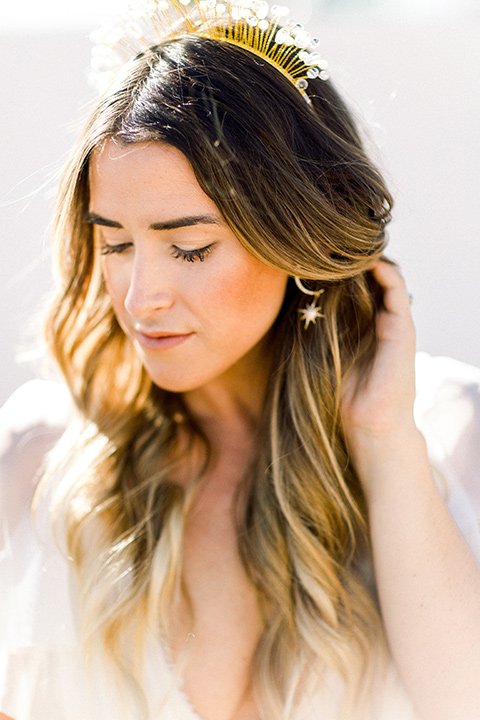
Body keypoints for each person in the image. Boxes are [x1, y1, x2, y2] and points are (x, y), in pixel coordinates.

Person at [1, 2, 480, 719]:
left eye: (188, 248)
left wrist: (384, 445)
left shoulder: (450, 436)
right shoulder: (39, 460)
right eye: (116, 244)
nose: (140, 297)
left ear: (297, 235)